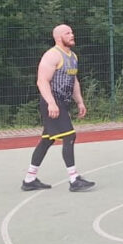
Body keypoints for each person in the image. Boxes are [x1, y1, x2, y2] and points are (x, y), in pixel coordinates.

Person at [21, 24, 95, 192]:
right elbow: (42, 81)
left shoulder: (73, 56)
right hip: (52, 102)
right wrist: (51, 103)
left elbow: (74, 81)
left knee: (47, 140)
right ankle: (74, 179)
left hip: (63, 102)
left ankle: (29, 179)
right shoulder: (52, 55)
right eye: (67, 33)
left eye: (72, 32)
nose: (72, 35)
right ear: (58, 37)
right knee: (70, 136)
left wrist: (80, 101)